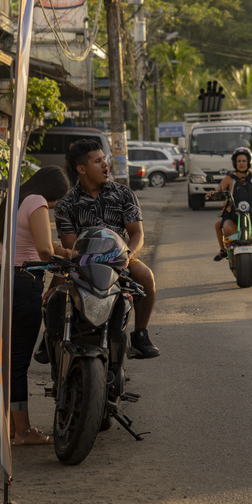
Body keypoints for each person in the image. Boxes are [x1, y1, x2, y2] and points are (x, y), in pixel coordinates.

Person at [0, 166, 71, 445]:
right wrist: (66, 260)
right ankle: (24, 431)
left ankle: (11, 427)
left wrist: (63, 250)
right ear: (54, 192)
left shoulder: (14, 200)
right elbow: (44, 250)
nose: (55, 205)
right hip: (22, 284)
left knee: (9, 358)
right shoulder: (37, 202)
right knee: (18, 361)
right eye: (59, 199)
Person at [54, 138, 159, 359]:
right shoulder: (66, 204)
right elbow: (70, 245)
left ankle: (140, 334)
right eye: (98, 161)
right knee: (55, 290)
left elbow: (137, 234)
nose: (105, 165)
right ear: (81, 169)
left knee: (146, 276)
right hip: (82, 262)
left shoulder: (123, 194)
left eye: (105, 159)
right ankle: (53, 338)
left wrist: (127, 257)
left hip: (120, 259)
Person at [211, 147, 252, 261]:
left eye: (244, 161)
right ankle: (223, 251)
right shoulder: (229, 178)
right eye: (239, 161)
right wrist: (213, 194)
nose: (241, 163)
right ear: (234, 163)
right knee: (225, 228)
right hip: (232, 216)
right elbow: (218, 191)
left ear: (249, 162)